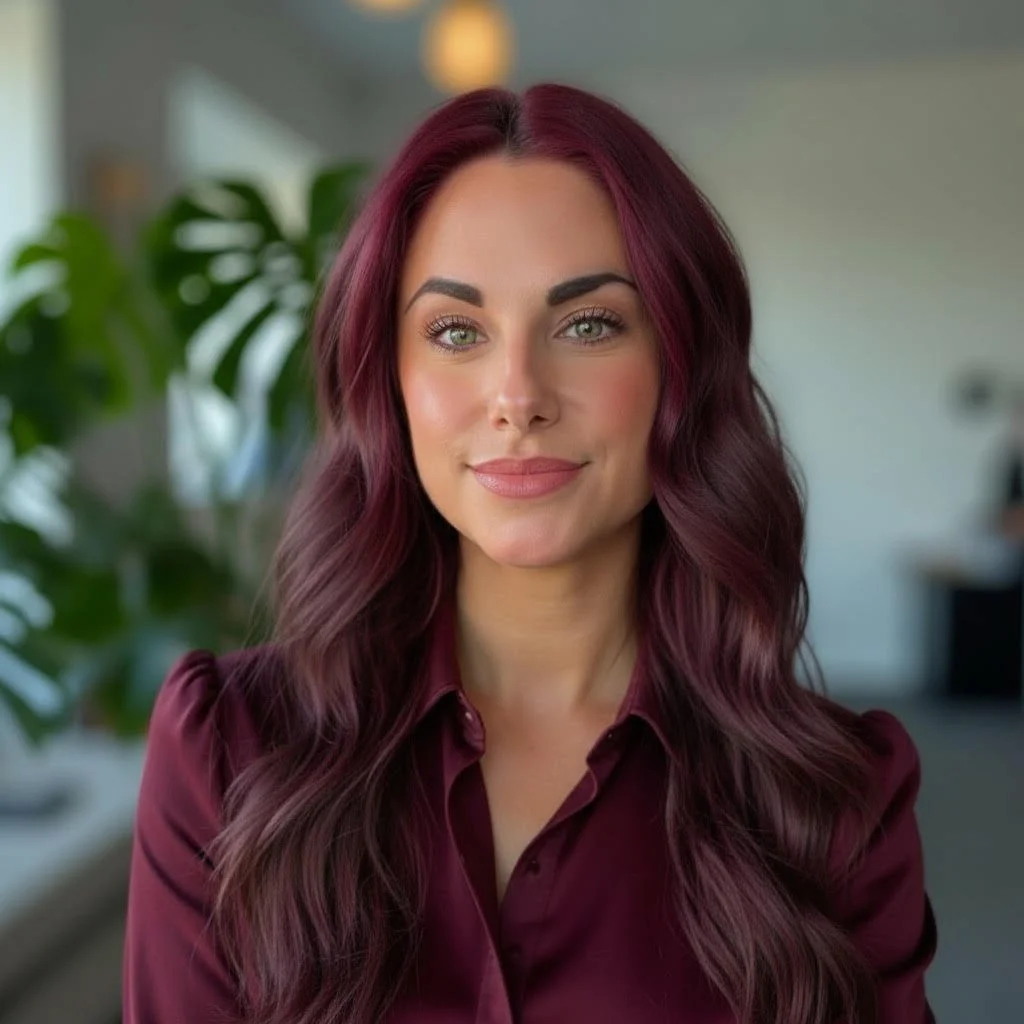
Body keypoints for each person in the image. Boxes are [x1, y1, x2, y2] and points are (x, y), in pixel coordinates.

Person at [122, 83, 938, 1024]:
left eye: (588, 324)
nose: (518, 395)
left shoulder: (836, 798)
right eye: (456, 332)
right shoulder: (229, 749)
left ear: (682, 366)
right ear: (388, 383)